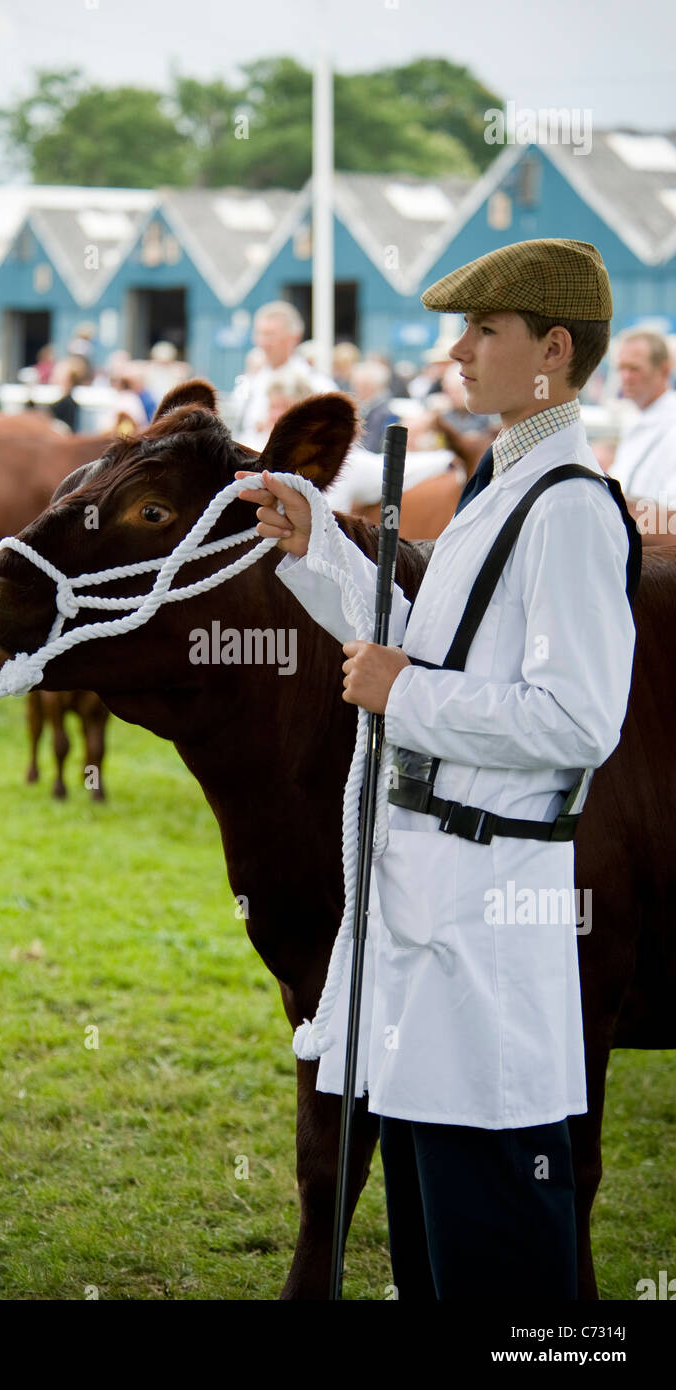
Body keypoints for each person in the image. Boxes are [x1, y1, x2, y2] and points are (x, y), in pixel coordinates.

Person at [235, 238, 638, 1301]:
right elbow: (424, 643)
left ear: (552, 350)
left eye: (483, 332)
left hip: (488, 915)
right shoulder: (502, 484)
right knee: (431, 1248)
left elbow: (578, 718)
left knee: (497, 1254)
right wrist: (317, 547)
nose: (456, 352)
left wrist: (401, 692)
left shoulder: (567, 506)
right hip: (426, 911)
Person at [230, 301, 336, 436]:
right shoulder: (249, 382)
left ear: (294, 338)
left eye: (270, 334)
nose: (263, 341)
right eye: (259, 334)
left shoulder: (317, 384)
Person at [609, 329, 676, 508]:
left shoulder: (671, 426)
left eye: (634, 369)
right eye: (621, 368)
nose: (625, 377)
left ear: (664, 370)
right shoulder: (634, 420)